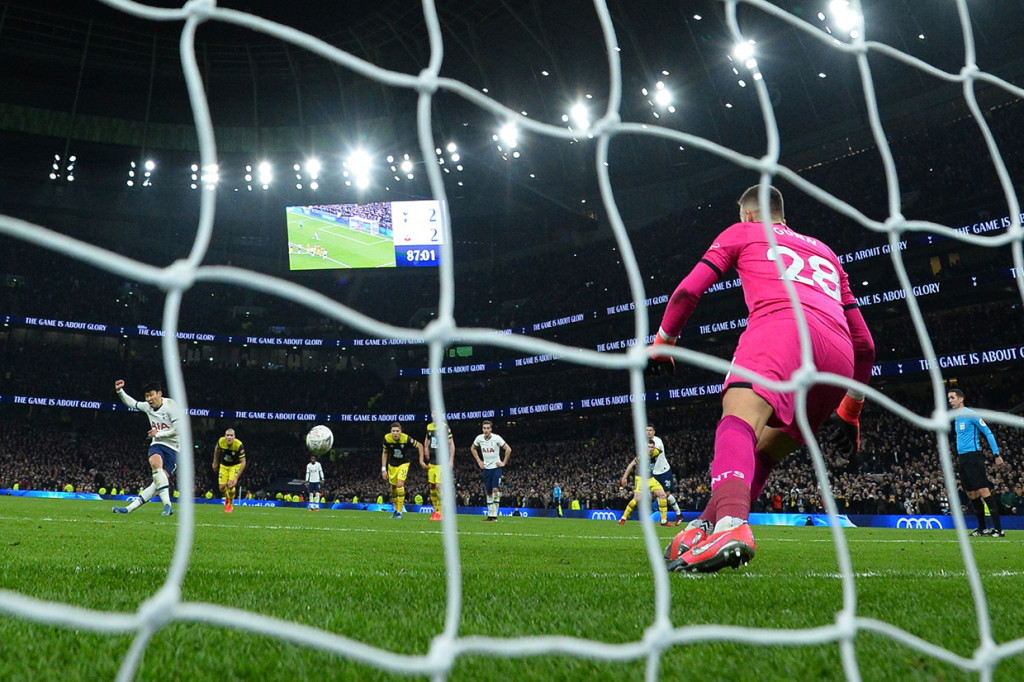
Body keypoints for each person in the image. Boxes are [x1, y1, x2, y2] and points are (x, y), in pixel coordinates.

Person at [655, 185, 875, 573]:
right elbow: (866, 345)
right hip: (838, 357)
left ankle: (732, 525)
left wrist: (663, 343)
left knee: (736, 422)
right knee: (763, 452)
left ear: (749, 215)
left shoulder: (741, 232)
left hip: (782, 330)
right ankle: (706, 526)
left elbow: (687, 292)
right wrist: (851, 410)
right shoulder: (826, 252)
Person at [111, 379, 184, 517]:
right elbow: (132, 403)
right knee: (155, 463)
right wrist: (120, 391)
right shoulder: (147, 407)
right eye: (146, 396)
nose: (149, 399)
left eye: (151, 395)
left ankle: (129, 509)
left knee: (157, 484)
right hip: (158, 444)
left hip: (174, 448)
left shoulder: (171, 406)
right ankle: (167, 505)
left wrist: (159, 433)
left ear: (159, 394)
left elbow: (179, 429)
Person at [948, 388, 1005, 537]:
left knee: (983, 490)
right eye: (949, 398)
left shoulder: (971, 414)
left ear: (961, 399)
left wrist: (996, 454)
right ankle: (982, 528)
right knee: (971, 493)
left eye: (952, 398)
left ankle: (999, 529)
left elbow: (987, 432)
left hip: (974, 457)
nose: (950, 401)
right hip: (963, 458)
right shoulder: (956, 417)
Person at [618, 439, 670, 526]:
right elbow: (631, 464)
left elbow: (660, 450)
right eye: (648, 447)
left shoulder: (657, 451)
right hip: (641, 478)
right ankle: (623, 518)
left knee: (663, 495)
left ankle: (664, 521)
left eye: (652, 447)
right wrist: (624, 477)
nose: (650, 449)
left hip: (650, 478)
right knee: (637, 499)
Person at [470, 420, 511, 522]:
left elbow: (508, 449)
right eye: (484, 428)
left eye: (488, 428)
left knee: (495, 490)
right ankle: (490, 515)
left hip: (496, 467)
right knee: (488, 492)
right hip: (486, 468)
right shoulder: (479, 438)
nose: (486, 430)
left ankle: (494, 516)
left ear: (491, 429)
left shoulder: (496, 438)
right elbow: (473, 448)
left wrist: (503, 462)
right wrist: (479, 461)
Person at [381, 422, 423, 519]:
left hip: (403, 464)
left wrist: (421, 460)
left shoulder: (406, 438)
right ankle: (396, 510)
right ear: (391, 432)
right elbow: (385, 452)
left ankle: (400, 511)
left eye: (397, 431)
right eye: (393, 431)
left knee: (400, 484)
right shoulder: (387, 438)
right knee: (393, 488)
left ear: (401, 432)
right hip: (392, 465)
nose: (395, 433)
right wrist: (384, 469)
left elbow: (419, 446)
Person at [647, 424, 684, 525]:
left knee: (666, 494)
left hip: (664, 471)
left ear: (654, 432)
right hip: (655, 473)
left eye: (650, 430)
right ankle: (664, 519)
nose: (649, 432)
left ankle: (678, 514)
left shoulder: (657, 441)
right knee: (658, 495)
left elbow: (657, 451)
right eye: (647, 431)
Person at [423, 414, 455, 521]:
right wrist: (426, 449)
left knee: (439, 486)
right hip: (432, 462)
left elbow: (451, 444)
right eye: (433, 413)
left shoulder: (444, 427)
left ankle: (442, 512)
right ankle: (436, 510)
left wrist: (451, 460)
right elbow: (427, 439)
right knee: (432, 486)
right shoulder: (429, 427)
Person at [212, 428, 245, 513]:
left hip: (235, 465)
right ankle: (227, 497)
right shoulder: (221, 441)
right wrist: (215, 462)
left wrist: (236, 478)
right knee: (222, 487)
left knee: (230, 486)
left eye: (231, 435)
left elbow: (243, 462)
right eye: (227, 435)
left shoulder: (238, 445)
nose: (229, 437)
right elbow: (216, 449)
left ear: (234, 437)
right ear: (225, 436)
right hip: (224, 465)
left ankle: (229, 504)